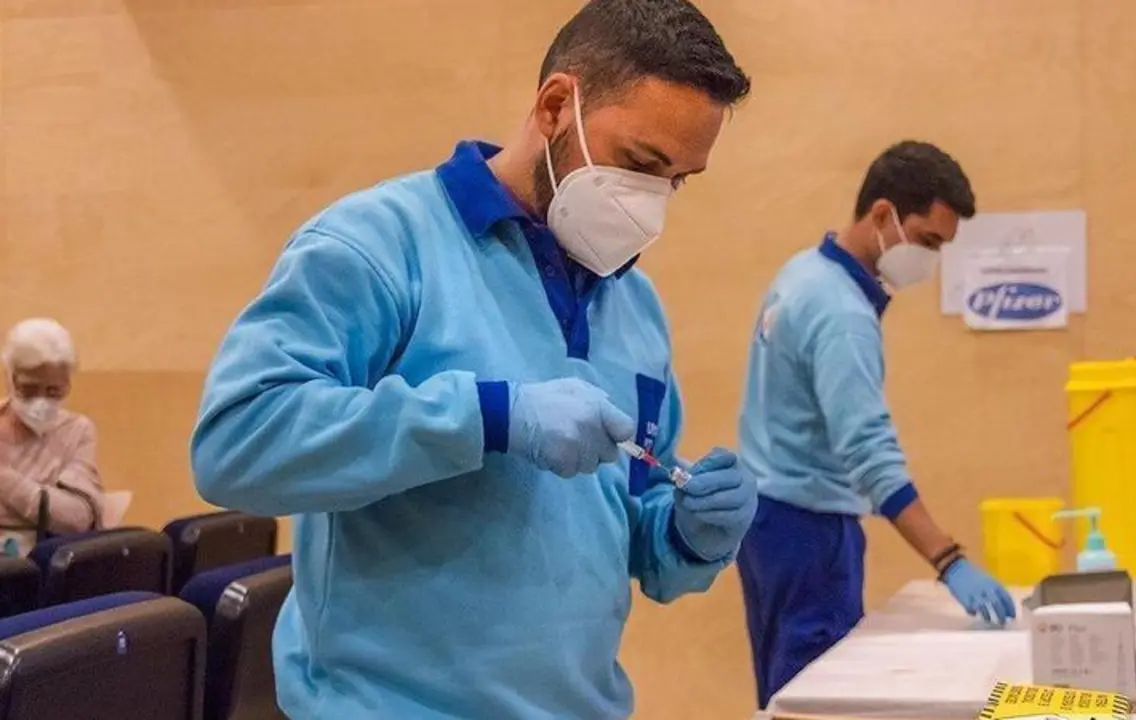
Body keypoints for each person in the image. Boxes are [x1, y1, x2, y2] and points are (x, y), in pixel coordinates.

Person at [190, 1, 756, 717]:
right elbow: (236, 445)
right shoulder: (383, 245)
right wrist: (485, 416)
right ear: (556, 105)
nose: (650, 204)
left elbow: (627, 530)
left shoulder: (634, 307)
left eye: (678, 180)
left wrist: (688, 532)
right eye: (639, 164)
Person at [735, 141, 1017, 709]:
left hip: (767, 522)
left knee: (785, 697)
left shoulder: (803, 272)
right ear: (884, 214)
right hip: (810, 533)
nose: (931, 260)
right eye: (929, 241)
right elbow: (869, 453)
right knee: (819, 703)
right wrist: (949, 560)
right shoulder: (841, 314)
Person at [0, 318, 103, 557]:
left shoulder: (77, 431)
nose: (41, 401)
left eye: (54, 391)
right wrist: (45, 501)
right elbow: (58, 512)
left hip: (45, 565)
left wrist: (6, 480)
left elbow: (77, 517)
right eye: (29, 389)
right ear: (10, 377)